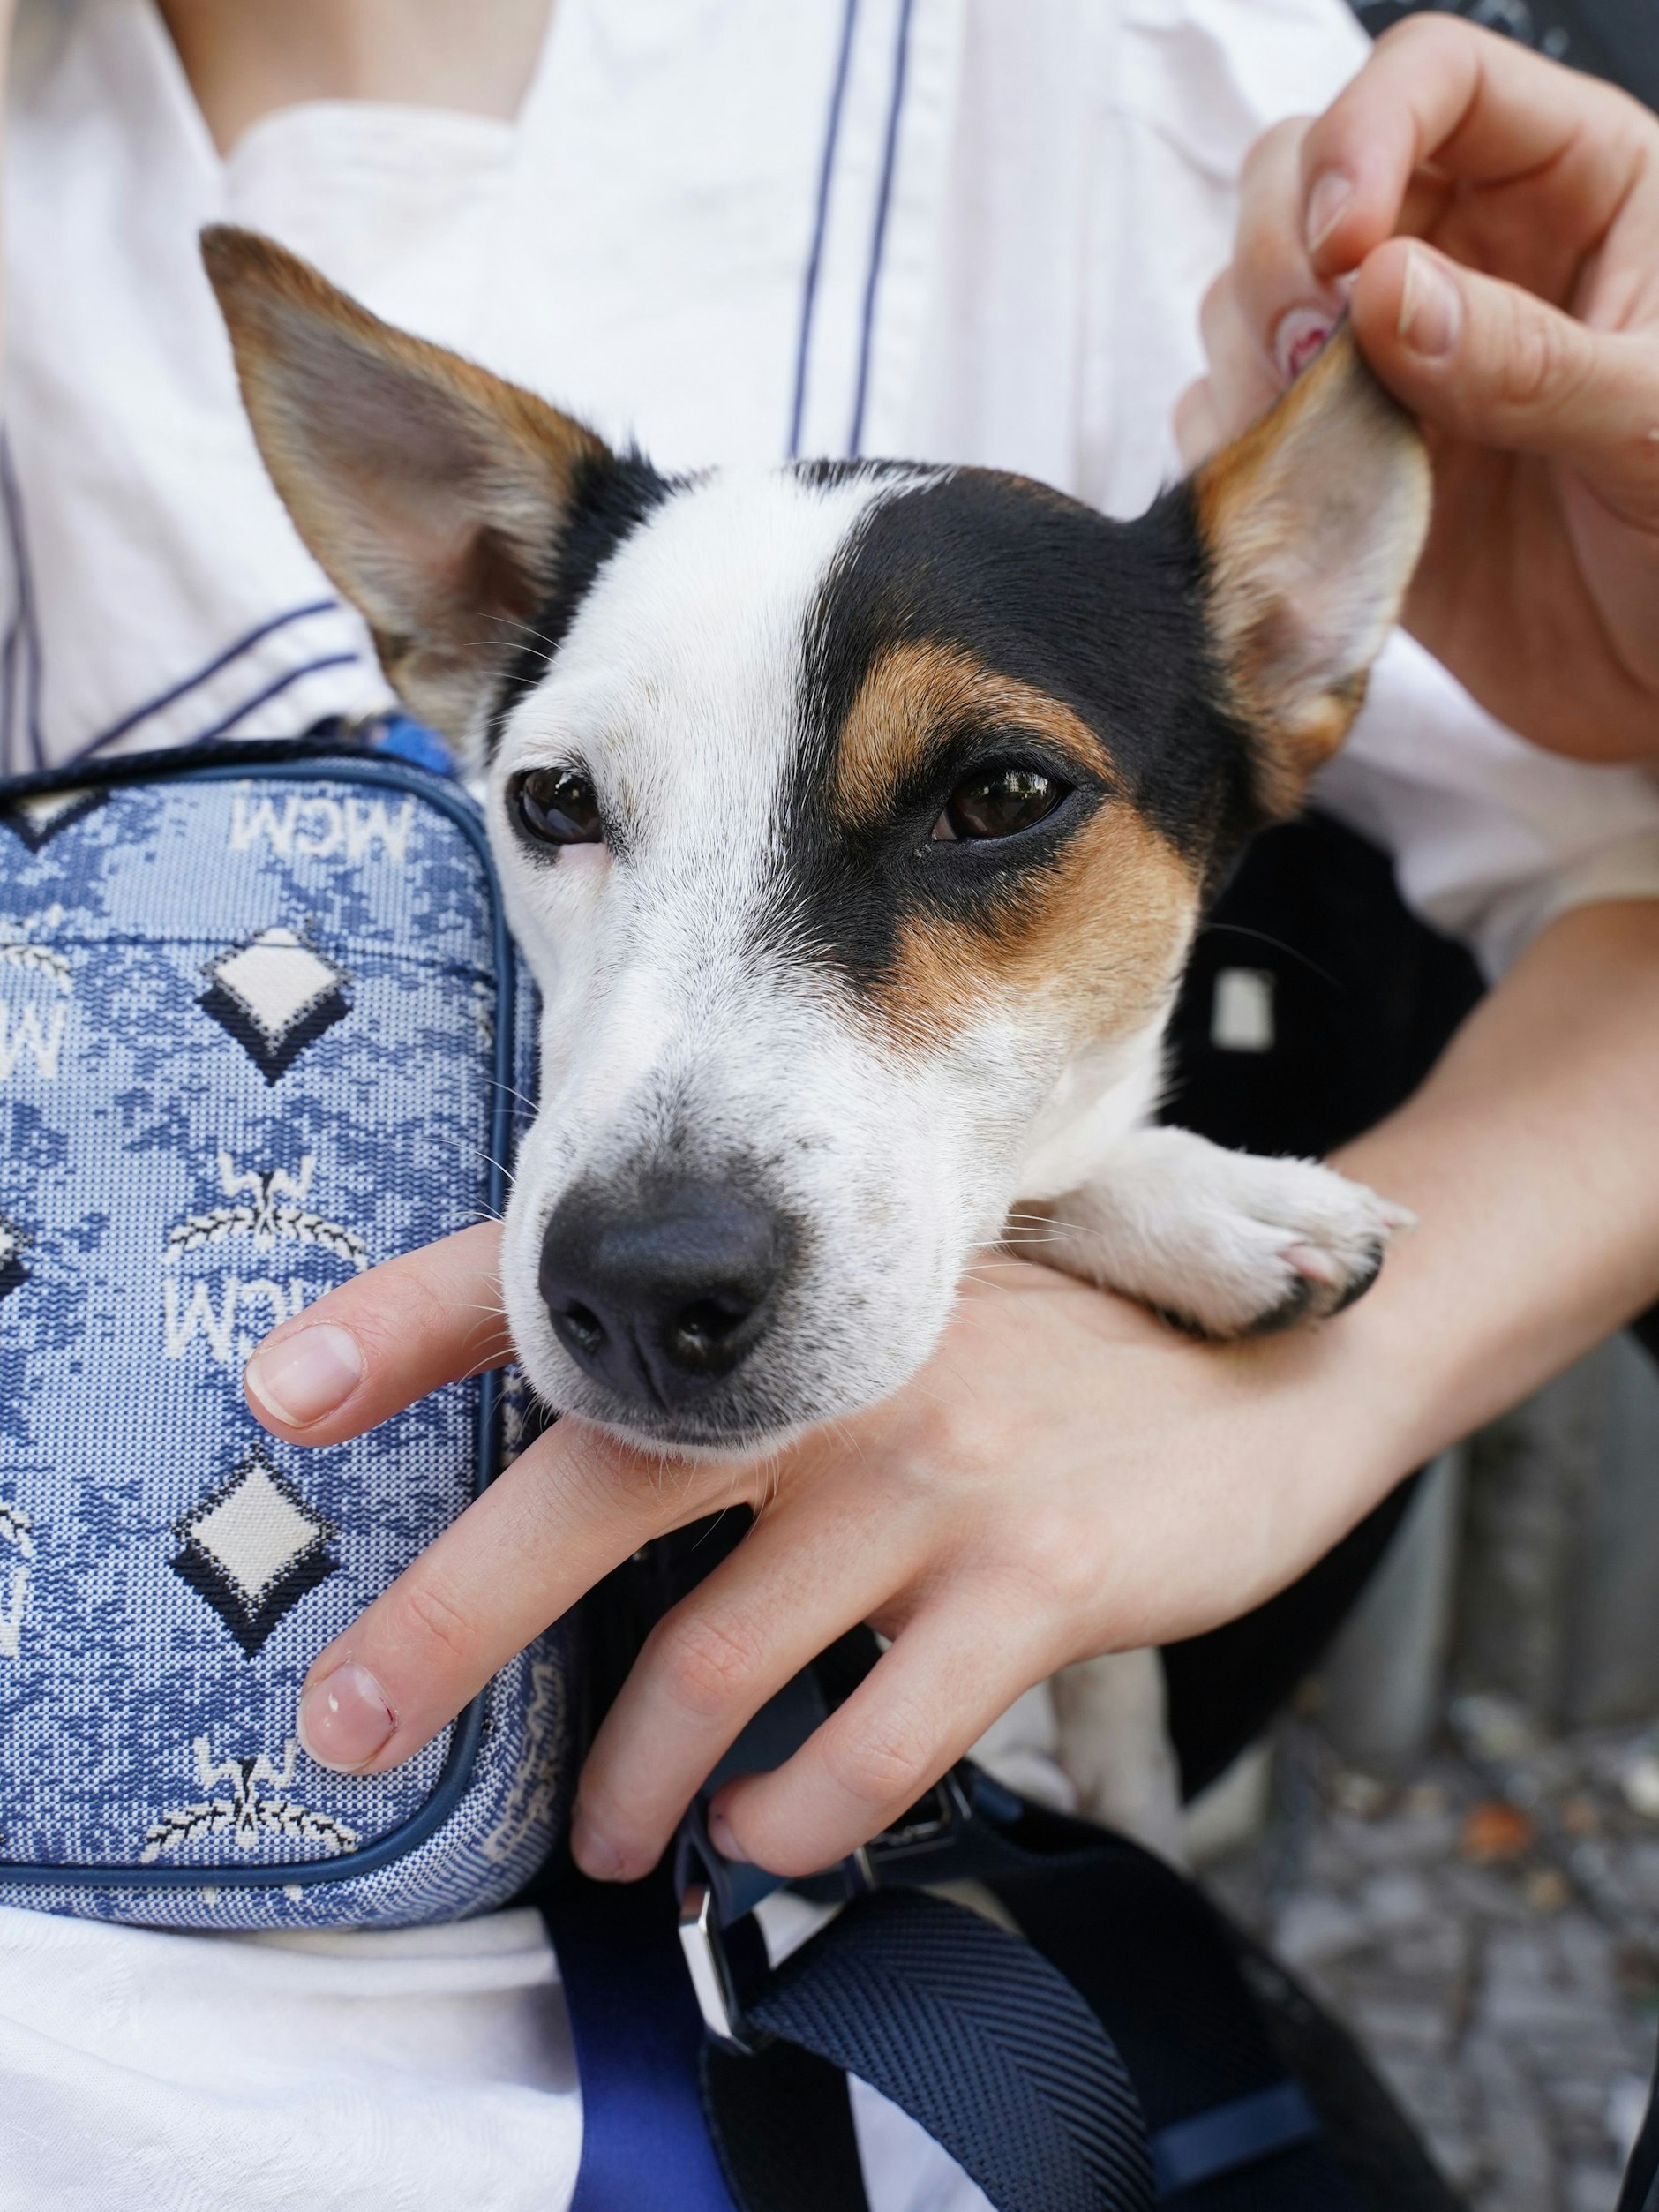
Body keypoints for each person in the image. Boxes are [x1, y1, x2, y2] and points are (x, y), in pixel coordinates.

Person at [3, 7, 1659, 2209]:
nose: (668, 1186)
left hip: (839, 1989)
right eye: (574, 803)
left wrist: (1287, 1400)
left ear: (1290, 627)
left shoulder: (1132, 73)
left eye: (986, 799)